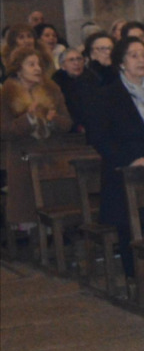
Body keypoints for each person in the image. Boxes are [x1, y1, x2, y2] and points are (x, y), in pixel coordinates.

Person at [83, 36, 144, 280]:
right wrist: (132, 159)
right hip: (123, 172)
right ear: (120, 62)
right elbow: (100, 138)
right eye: (134, 55)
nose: (141, 60)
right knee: (132, 228)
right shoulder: (107, 95)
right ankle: (138, 280)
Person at [2, 47, 73, 230]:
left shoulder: (52, 89)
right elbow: (4, 130)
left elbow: (67, 123)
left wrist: (53, 120)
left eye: (39, 64)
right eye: (31, 64)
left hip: (51, 157)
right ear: (19, 68)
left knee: (55, 207)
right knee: (30, 212)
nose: (37, 68)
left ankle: (56, 240)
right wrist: (28, 119)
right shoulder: (7, 94)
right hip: (23, 159)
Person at [51, 46, 87, 129]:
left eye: (79, 59)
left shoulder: (90, 79)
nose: (76, 63)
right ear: (63, 65)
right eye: (71, 60)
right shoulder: (57, 84)